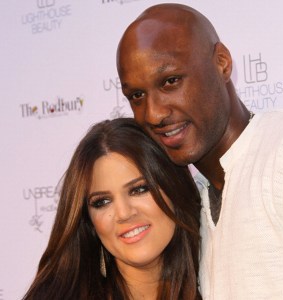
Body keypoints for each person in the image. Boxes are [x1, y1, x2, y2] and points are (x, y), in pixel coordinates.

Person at [116, 3, 283, 299]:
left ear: (222, 63)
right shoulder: (185, 208)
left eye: (170, 81)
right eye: (136, 96)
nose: (153, 114)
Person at [22, 118, 201, 300]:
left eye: (139, 189)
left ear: (174, 188)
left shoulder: (220, 284)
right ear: (88, 221)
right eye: (102, 202)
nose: (124, 213)